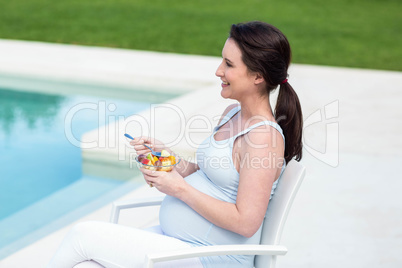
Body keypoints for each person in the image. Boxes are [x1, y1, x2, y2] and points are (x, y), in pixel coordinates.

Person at [48, 21, 303, 268]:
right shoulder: (231, 114)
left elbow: (246, 222)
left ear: (258, 76)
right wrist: (171, 160)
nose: (218, 71)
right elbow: (213, 176)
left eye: (228, 64)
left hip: (213, 258)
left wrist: (179, 189)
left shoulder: (263, 138)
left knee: (82, 235)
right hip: (183, 244)